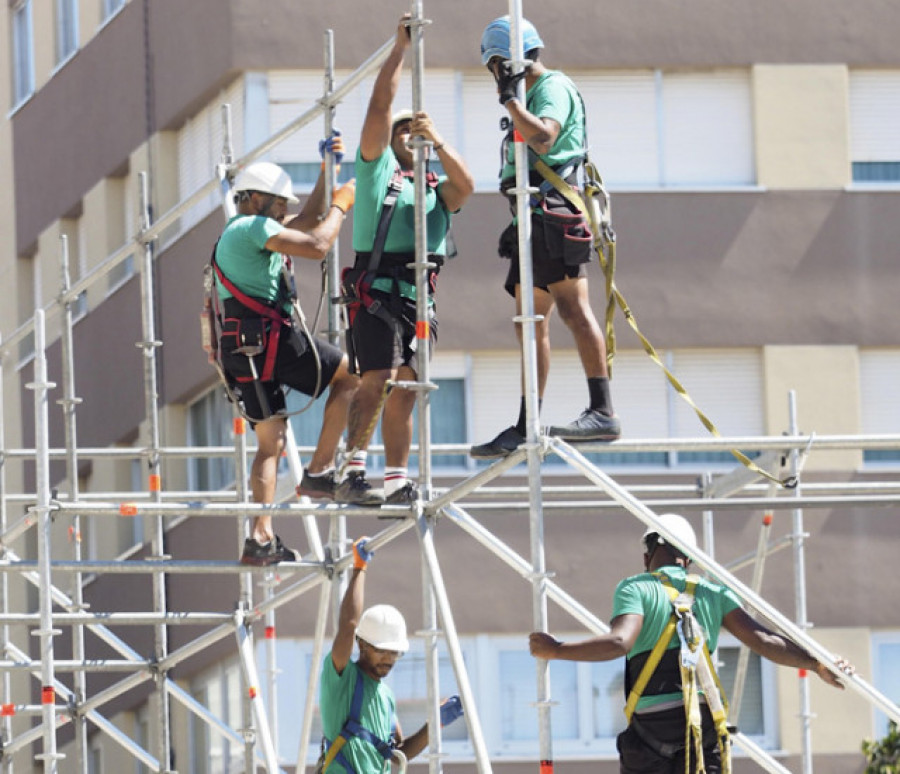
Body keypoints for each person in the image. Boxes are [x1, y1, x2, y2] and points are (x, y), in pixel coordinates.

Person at [528, 513, 855, 774]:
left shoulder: (636, 588)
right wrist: (816, 663)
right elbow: (764, 639)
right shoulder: (714, 593)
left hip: (649, 733)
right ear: (689, 556)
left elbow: (618, 642)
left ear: (649, 554)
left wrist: (555, 649)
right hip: (703, 731)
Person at [335, 14, 474, 506]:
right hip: (378, 293)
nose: (406, 136)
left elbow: (468, 186)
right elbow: (379, 106)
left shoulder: (434, 191)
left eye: (413, 133)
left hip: (419, 300)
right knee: (378, 378)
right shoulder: (378, 176)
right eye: (402, 132)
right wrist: (399, 52)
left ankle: (395, 478)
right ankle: (351, 469)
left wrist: (435, 140)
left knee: (409, 388)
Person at [470, 16, 621, 460]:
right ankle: (526, 422)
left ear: (502, 63)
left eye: (494, 67)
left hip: (556, 215)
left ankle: (602, 409)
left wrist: (511, 101)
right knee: (529, 322)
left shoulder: (551, 88)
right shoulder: (529, 95)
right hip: (532, 219)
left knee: (574, 310)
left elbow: (543, 137)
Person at [215, 153, 358, 566]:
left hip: (245, 350)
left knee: (270, 444)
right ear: (254, 198)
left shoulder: (244, 234)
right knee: (350, 375)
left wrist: (323, 173)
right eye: (278, 203)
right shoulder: (252, 228)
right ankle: (319, 470)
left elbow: (309, 219)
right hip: (271, 339)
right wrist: (341, 205)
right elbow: (318, 243)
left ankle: (260, 536)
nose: (283, 211)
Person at [318, 537, 464, 773]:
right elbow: (348, 625)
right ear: (362, 644)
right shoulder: (342, 678)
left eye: (394, 652)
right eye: (380, 650)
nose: (388, 658)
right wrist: (359, 568)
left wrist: (434, 724)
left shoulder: (385, 697)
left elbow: (399, 754)